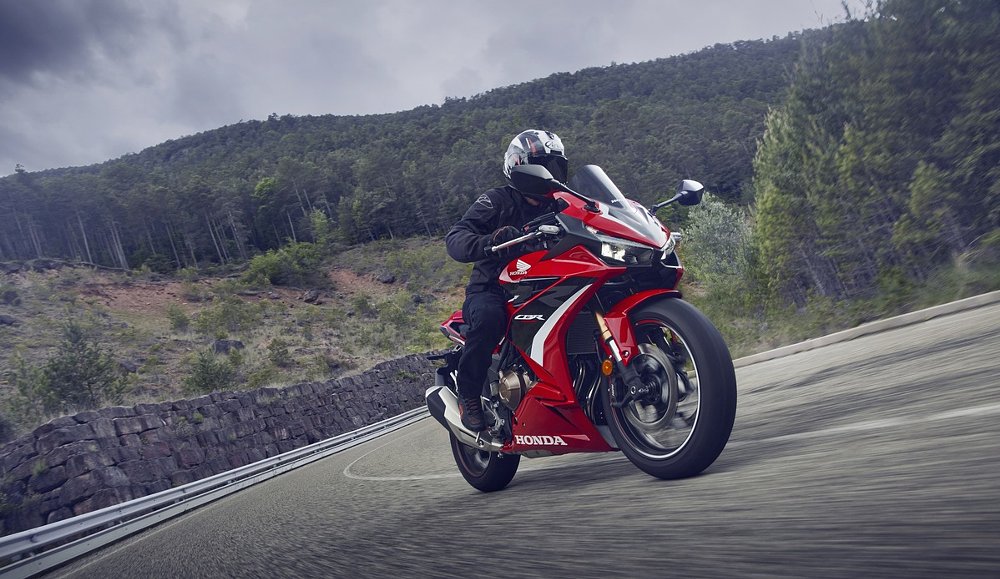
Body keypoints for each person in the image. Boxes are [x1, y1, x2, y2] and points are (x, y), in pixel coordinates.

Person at [445, 129, 569, 432]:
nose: (548, 174)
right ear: (519, 167)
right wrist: (489, 241)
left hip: (546, 281)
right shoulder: (496, 201)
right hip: (495, 288)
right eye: (541, 166)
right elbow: (457, 236)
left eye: (554, 166)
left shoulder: (562, 203)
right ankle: (470, 395)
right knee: (488, 318)